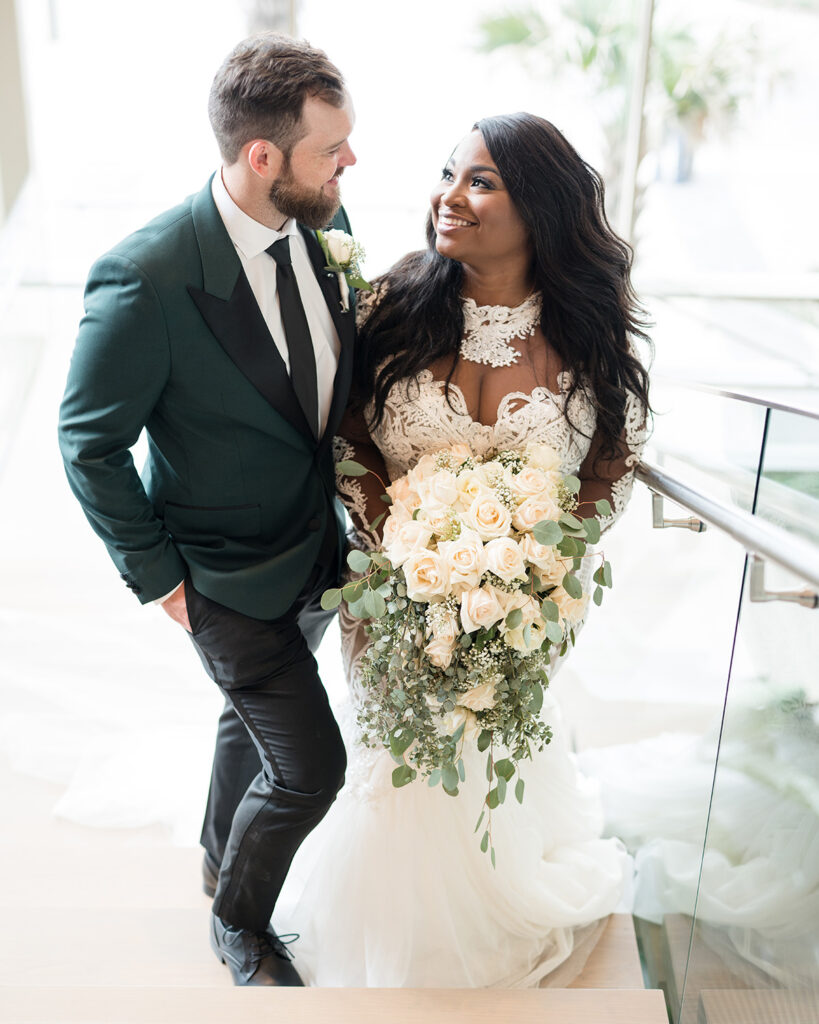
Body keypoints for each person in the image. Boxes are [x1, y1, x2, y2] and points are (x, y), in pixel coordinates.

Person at [273, 112, 652, 987]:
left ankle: (492, 902)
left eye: (480, 181)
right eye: (449, 173)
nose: (449, 196)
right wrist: (396, 544)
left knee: (483, 744)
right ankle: (397, 940)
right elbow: (350, 439)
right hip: (391, 587)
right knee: (396, 763)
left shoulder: (590, 330)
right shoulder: (389, 308)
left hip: (528, 598)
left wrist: (537, 564)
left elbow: (612, 462)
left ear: (543, 210)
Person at [58, 33, 359, 987]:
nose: (350, 163)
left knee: (250, 726)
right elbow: (88, 445)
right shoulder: (143, 278)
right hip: (218, 574)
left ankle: (214, 853)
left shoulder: (320, 224)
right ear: (261, 156)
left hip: (316, 552)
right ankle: (240, 922)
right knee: (310, 770)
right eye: (332, 148)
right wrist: (162, 581)